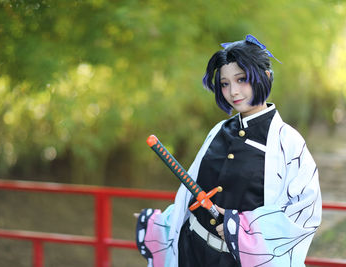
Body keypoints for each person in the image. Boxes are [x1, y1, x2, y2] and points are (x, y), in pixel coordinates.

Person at [135, 34, 322, 267]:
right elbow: (191, 192)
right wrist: (159, 223)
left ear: (265, 77)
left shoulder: (289, 143)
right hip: (191, 251)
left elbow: (305, 212)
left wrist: (242, 228)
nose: (233, 91)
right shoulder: (218, 130)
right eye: (225, 83)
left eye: (241, 79)